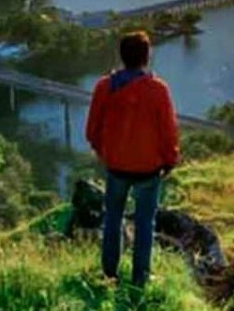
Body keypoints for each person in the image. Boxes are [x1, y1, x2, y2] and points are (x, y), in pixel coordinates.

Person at [85, 31, 180, 287]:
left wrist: (104, 153)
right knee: (144, 223)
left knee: (112, 219)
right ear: (147, 56)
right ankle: (141, 279)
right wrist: (169, 160)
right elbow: (168, 131)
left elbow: (92, 130)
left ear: (122, 55)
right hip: (148, 169)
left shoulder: (104, 87)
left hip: (116, 167)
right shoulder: (158, 89)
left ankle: (108, 275)